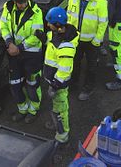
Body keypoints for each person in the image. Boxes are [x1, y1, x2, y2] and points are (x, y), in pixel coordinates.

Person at [0, 0, 45, 124]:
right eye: (19, 3)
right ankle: (23, 109)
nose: (22, 5)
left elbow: (37, 36)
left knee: (32, 85)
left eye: (24, 2)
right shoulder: (7, 8)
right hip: (14, 53)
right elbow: (4, 25)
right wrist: (8, 42)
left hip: (31, 55)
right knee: (15, 84)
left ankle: (33, 110)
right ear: (13, 0)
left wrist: (19, 47)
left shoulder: (36, 12)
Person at [67, 0, 108, 101]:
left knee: (91, 67)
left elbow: (103, 22)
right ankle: (73, 84)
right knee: (74, 63)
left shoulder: (100, 2)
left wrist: (97, 39)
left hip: (91, 41)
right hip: (76, 39)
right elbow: (69, 15)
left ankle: (88, 88)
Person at [42, 7, 78, 145]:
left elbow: (64, 70)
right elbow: (51, 43)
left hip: (58, 86)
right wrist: (44, 38)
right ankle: (56, 125)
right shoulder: (57, 34)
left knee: (61, 111)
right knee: (56, 107)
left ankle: (62, 135)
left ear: (57, 25)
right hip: (53, 82)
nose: (47, 25)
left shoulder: (66, 47)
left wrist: (55, 85)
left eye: (49, 23)